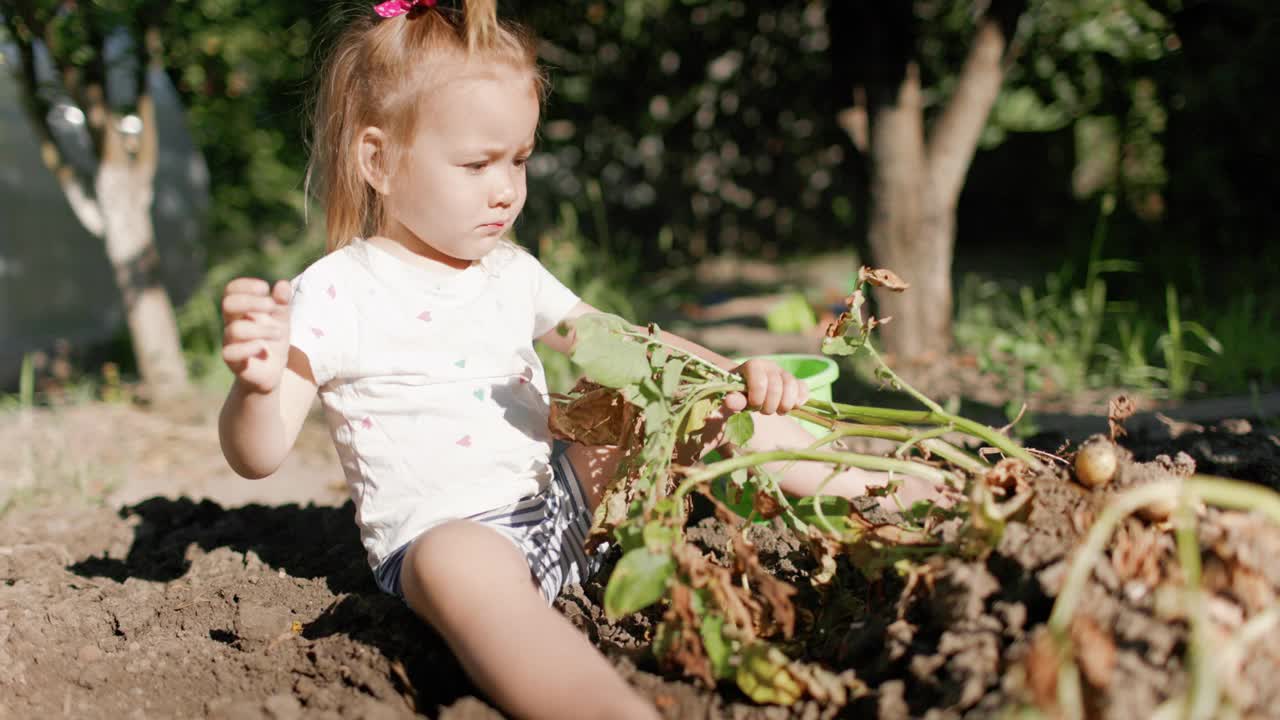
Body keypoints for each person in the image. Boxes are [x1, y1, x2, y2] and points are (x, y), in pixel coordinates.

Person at [216, 1, 927, 717]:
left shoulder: (510, 271)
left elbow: (628, 347)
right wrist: (258, 383)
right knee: (455, 560)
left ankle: (910, 494)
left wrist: (727, 376)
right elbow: (259, 452)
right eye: (476, 163)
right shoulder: (339, 289)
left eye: (519, 159)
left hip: (567, 505)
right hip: (454, 542)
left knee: (685, 402)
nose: (506, 188)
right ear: (378, 160)